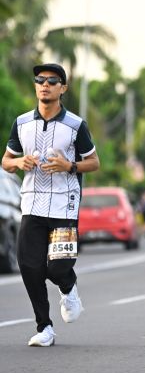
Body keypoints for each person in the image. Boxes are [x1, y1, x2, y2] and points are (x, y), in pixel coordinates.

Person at [1, 63, 100, 346]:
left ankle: (68, 287)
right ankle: (44, 327)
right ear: (35, 86)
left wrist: (69, 166)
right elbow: (6, 161)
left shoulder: (76, 125)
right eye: (40, 80)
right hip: (32, 203)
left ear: (63, 88)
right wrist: (19, 161)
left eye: (52, 81)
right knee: (29, 266)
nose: (45, 85)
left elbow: (94, 162)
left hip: (63, 204)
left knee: (57, 268)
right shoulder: (22, 123)